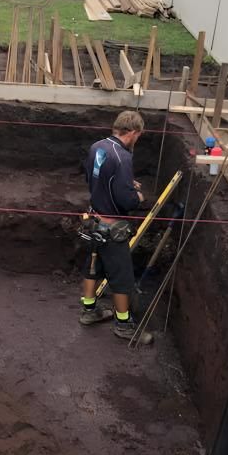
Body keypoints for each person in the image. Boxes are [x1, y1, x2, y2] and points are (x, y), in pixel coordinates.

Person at [79, 110, 152, 344]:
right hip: (112, 227)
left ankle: (89, 311)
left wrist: (125, 183)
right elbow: (126, 200)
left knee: (93, 268)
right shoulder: (123, 157)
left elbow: (93, 177)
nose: (137, 139)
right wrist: (138, 196)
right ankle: (123, 324)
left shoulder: (97, 146)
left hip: (93, 220)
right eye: (138, 135)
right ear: (132, 132)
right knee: (122, 278)